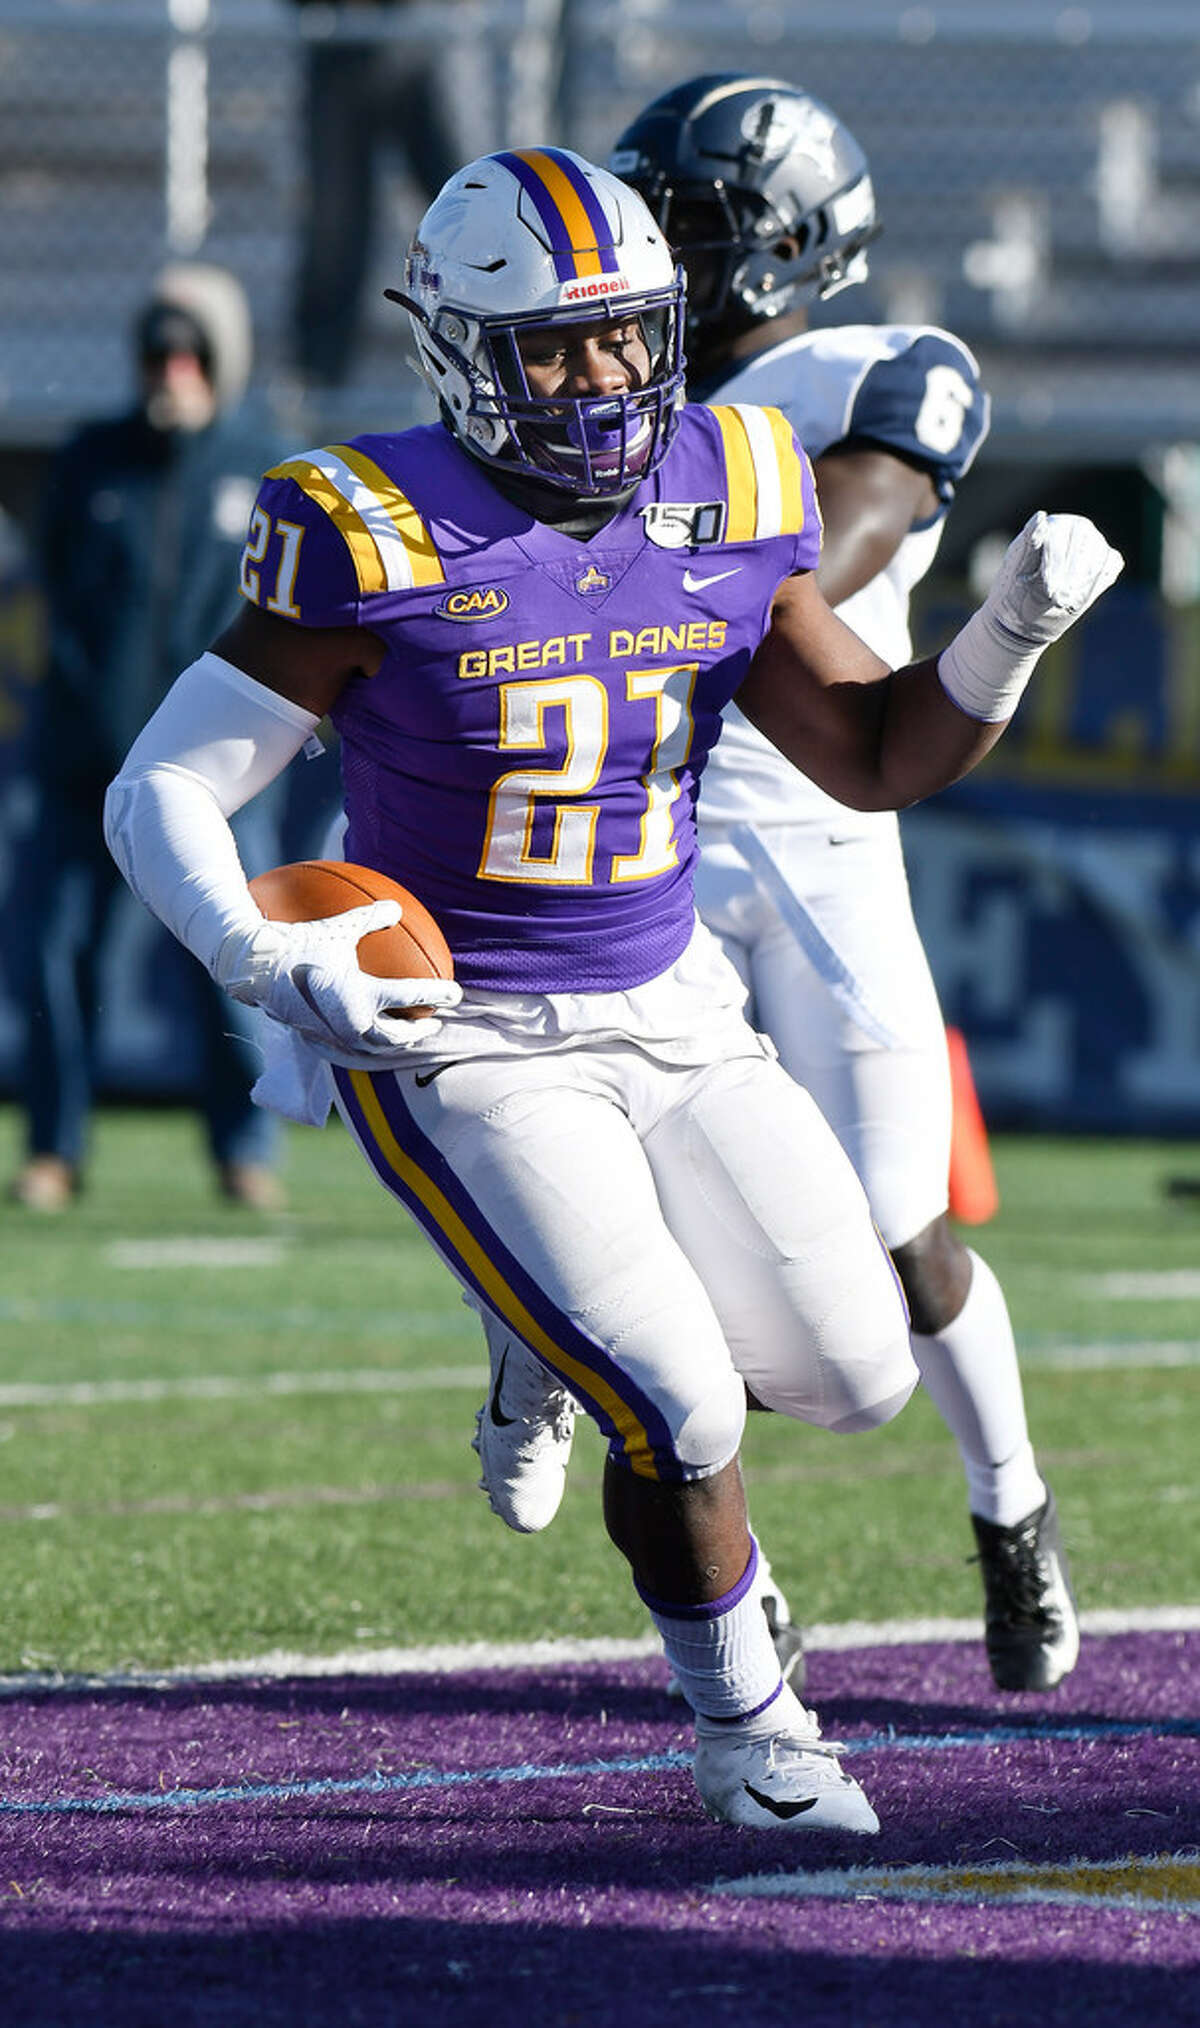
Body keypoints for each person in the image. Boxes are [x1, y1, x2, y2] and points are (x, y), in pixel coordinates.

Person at [103, 147, 1120, 1832]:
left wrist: (1005, 632)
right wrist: (259, 954)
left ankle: (534, 1326)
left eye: (628, 337)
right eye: (558, 348)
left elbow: (871, 753)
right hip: (468, 1036)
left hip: (675, 1009)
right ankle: (754, 1729)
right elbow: (164, 788)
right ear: (463, 353)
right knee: (677, 1396)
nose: (603, 381)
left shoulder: (729, 474)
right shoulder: (369, 524)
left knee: (860, 1374)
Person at [477, 77, 1086, 1699]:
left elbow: (852, 529)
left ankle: (1008, 1501)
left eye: (681, 215)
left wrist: (681, 564)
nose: (648, 245)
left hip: (819, 841)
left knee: (896, 1237)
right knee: (656, 1230)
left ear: (784, 245)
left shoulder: (864, 366)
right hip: (646, 841)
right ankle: (745, 1595)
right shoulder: (588, 381)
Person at [10, 264, 287, 1213]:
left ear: (223, 359)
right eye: (157, 352)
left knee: (224, 957)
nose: (172, 370)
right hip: (84, 763)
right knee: (53, 955)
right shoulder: (93, 461)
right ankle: (53, 1150)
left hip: (215, 776)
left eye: (191, 351)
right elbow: (57, 605)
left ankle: (243, 1150)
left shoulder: (269, 469)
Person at [289, 0, 488, 389]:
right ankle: (318, 386)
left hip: (427, 42)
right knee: (336, 230)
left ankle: (496, 357)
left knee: (472, 211)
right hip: (339, 44)